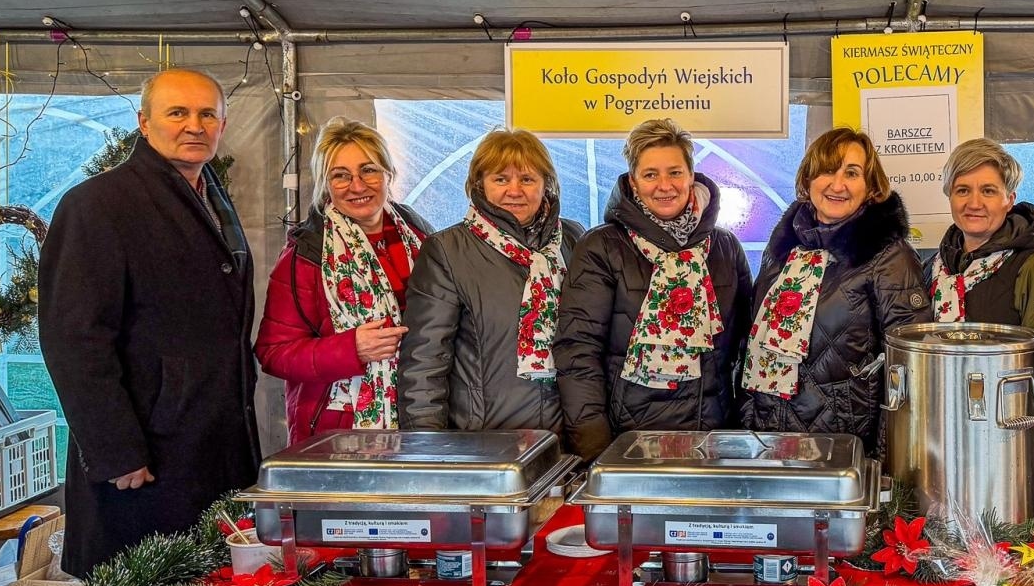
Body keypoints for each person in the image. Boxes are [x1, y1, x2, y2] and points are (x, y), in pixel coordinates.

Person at [38, 69, 260, 576]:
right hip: (143, 458)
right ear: (143, 122)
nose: (194, 125)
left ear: (222, 124)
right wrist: (115, 450)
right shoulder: (98, 204)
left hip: (212, 442)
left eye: (207, 114)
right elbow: (74, 338)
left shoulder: (210, 197)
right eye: (177, 112)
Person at [555, 119, 750, 459]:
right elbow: (577, 353)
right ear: (633, 181)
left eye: (675, 172)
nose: (665, 185)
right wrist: (595, 450)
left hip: (713, 440)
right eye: (650, 174)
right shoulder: (603, 247)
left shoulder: (725, 248)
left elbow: (743, 346)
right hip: (628, 442)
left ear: (692, 176)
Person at [741, 127, 931, 449]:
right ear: (808, 180)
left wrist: (887, 459)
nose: (837, 184)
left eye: (852, 173)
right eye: (827, 170)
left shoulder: (889, 257)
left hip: (843, 446)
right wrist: (746, 425)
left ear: (871, 187)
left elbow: (912, 368)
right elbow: (750, 343)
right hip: (767, 439)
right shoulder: (783, 248)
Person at [255, 119, 430, 443]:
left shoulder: (420, 238)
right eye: (341, 175)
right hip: (338, 426)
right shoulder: (305, 256)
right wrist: (351, 349)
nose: (358, 185)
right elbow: (273, 352)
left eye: (369, 170)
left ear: (388, 174)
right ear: (325, 183)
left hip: (418, 410)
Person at [399, 129, 582, 433]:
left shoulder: (573, 240)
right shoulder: (447, 250)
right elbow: (424, 361)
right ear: (479, 185)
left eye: (527, 179)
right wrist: (427, 447)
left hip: (561, 440)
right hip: (483, 443)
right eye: (500, 179)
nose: (514, 190)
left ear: (546, 185)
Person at [928, 138, 1034, 476]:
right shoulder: (935, 270)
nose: (974, 203)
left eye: (989, 191)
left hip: (1009, 450)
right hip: (941, 442)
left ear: (1009, 199)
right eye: (962, 190)